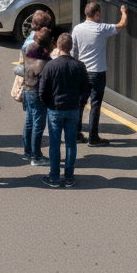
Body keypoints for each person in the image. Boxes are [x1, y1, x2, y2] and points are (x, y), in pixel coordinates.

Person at [37, 34, 90, 188]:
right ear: (71, 46)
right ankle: (69, 177)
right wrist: (81, 103)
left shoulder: (50, 66)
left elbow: (42, 90)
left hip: (55, 108)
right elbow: (86, 88)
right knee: (71, 144)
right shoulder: (79, 66)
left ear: (58, 47)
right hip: (73, 108)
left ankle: (54, 176)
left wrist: (48, 104)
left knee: (54, 144)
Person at [71, 1, 127, 146]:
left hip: (82, 72)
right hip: (97, 72)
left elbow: (73, 52)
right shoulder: (102, 29)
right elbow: (121, 25)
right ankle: (93, 137)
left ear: (85, 13)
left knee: (80, 103)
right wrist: (124, 12)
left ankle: (76, 134)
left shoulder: (77, 29)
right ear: (96, 14)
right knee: (95, 105)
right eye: (99, 14)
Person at [21, 28, 53, 165]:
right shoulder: (45, 56)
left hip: (27, 88)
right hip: (37, 92)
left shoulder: (29, 48)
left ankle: (28, 152)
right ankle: (36, 156)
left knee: (29, 121)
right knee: (38, 125)